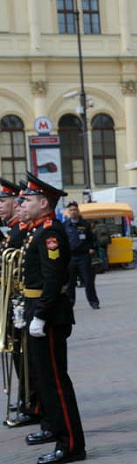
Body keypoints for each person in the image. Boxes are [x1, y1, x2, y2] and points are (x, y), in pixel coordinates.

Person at [22, 172, 85, 464]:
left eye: (29, 199)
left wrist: (40, 316)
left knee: (56, 383)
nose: (24, 202)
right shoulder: (40, 229)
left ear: (44, 203)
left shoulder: (50, 233)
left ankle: (71, 444)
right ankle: (61, 438)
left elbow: (53, 278)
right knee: (47, 382)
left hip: (48, 318)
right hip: (40, 314)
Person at [0, 178, 39, 429]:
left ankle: (31, 402)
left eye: (3, 201)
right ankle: (27, 400)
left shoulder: (22, 231)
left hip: (22, 303)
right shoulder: (14, 230)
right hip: (14, 302)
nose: (0, 206)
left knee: (24, 356)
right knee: (17, 355)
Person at [64, 201, 100, 310]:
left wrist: (92, 248)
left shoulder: (85, 225)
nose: (73, 212)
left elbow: (93, 239)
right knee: (70, 283)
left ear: (78, 211)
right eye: (71, 210)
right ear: (68, 212)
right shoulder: (65, 226)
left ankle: (94, 302)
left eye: (75, 210)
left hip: (83, 256)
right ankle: (70, 303)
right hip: (70, 257)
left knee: (88, 280)